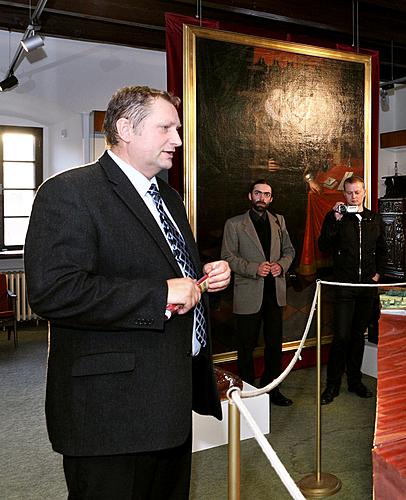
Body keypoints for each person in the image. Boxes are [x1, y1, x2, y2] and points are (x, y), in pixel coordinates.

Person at [24, 86, 231, 498]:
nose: (178, 139)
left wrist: (208, 279)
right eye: (166, 128)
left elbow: (175, 276)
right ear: (125, 128)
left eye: (178, 129)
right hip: (110, 414)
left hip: (170, 401)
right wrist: (158, 294)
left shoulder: (168, 197)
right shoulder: (69, 192)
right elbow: (53, 292)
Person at [221, 179, 296, 406]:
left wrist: (281, 265)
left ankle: (273, 389)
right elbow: (228, 257)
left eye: (266, 195)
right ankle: (247, 393)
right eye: (258, 193)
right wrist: (255, 268)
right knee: (246, 346)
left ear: (271, 199)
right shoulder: (234, 224)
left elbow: (289, 251)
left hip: (275, 294)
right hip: (248, 295)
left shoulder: (278, 221)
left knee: (275, 345)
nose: (262, 198)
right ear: (250, 196)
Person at [318, 176, 386, 405]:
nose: (353, 196)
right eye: (349, 193)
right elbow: (324, 247)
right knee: (341, 337)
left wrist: (377, 275)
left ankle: (355, 381)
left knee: (358, 336)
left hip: (367, 287)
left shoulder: (374, 219)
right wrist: (336, 220)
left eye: (357, 192)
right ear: (344, 194)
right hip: (344, 286)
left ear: (364, 192)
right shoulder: (335, 217)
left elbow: (383, 249)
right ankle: (332, 385)